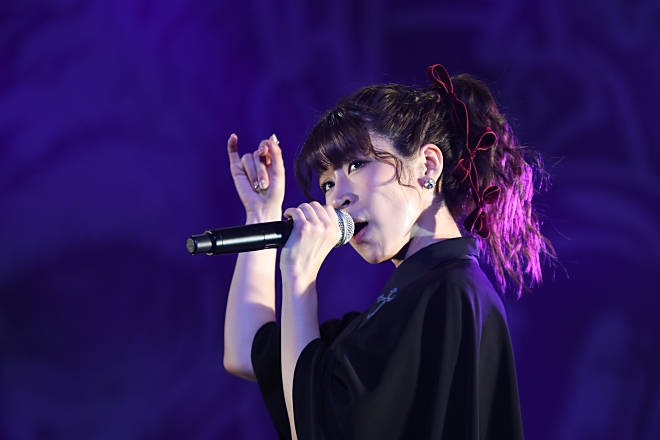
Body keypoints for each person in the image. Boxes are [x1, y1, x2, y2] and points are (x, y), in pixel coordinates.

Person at [222, 64, 555, 439]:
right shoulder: (397, 308)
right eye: (327, 183)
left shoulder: (451, 291)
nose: (337, 197)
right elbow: (246, 351)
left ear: (427, 166)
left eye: (357, 164)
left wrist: (300, 277)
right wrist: (261, 213)